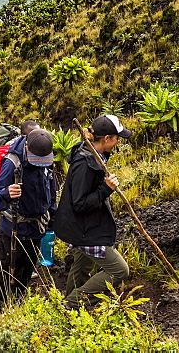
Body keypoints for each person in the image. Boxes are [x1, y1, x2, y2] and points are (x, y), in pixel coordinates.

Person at [54, 114, 132, 310]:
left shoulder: (94, 155)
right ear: (106, 139)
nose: (117, 143)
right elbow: (79, 204)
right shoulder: (85, 164)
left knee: (82, 267)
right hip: (83, 230)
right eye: (116, 138)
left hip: (83, 226)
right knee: (119, 270)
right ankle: (71, 304)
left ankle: (70, 311)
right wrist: (106, 189)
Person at [0, 127, 58, 311]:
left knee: (27, 270)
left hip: (36, 228)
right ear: (27, 146)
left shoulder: (46, 159)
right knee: (9, 271)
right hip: (13, 229)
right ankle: (1, 307)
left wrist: (52, 221)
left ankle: (19, 304)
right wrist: (7, 193)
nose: (40, 164)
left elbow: (50, 192)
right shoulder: (12, 162)